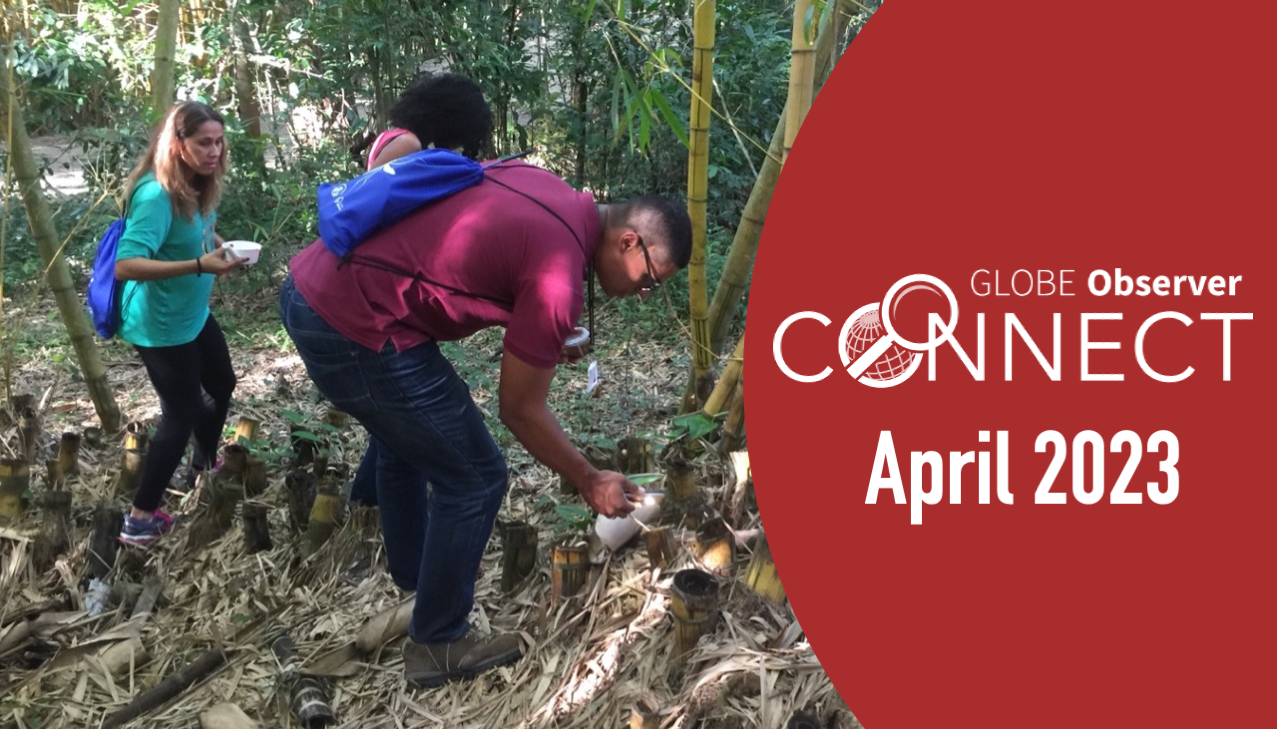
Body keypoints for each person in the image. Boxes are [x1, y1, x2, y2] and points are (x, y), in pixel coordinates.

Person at [279, 159, 691, 689]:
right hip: (351, 323)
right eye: (650, 281)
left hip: (314, 284)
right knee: (476, 477)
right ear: (628, 242)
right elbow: (519, 409)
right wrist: (589, 478)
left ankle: (415, 583)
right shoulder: (558, 274)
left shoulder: (550, 190)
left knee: (406, 439)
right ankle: (436, 642)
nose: (643, 294)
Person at [346, 72, 494, 546]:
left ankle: (364, 500)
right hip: (375, 299)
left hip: (383, 294)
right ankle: (406, 555)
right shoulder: (405, 145)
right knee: (400, 437)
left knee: (393, 423)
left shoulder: (405, 140)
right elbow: (381, 214)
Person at [113, 101, 247, 546]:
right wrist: (198, 264)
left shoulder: (199, 183)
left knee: (223, 383)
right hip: (160, 323)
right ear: (178, 144)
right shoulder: (155, 195)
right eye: (204, 142)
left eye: (219, 141)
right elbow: (127, 265)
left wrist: (221, 250)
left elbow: (201, 234)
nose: (214, 151)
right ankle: (139, 519)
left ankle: (201, 467)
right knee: (183, 411)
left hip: (192, 314)